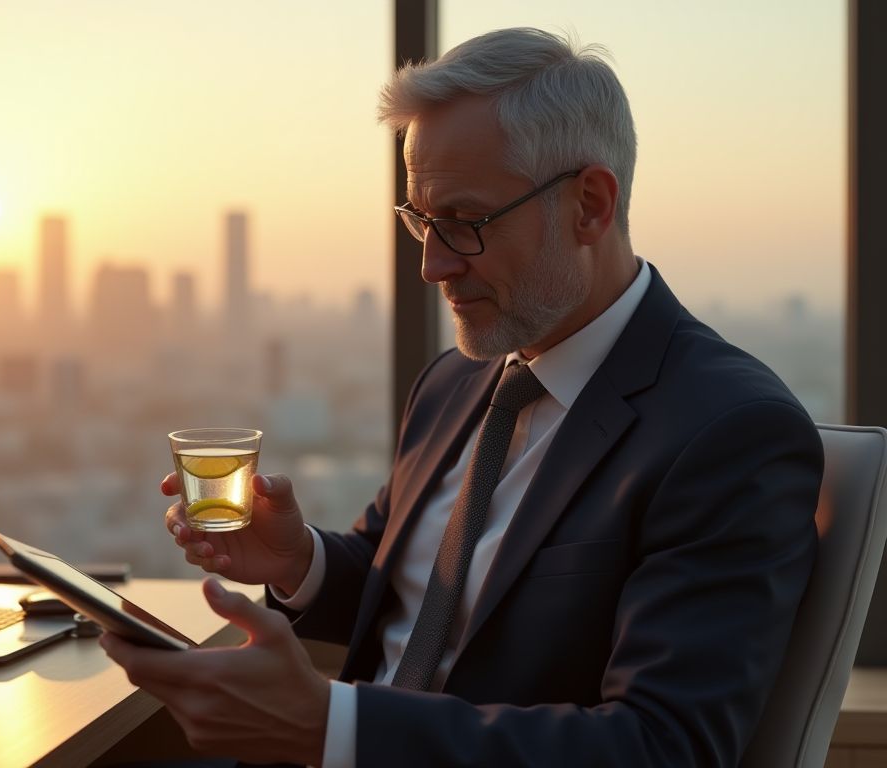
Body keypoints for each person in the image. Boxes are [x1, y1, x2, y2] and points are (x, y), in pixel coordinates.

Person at [100, 27, 823, 767]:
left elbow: (663, 749)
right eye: (421, 221)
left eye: (463, 224)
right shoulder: (455, 382)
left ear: (590, 205)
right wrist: (299, 560)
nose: (432, 265)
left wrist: (332, 729)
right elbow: (418, 595)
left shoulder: (728, 432)